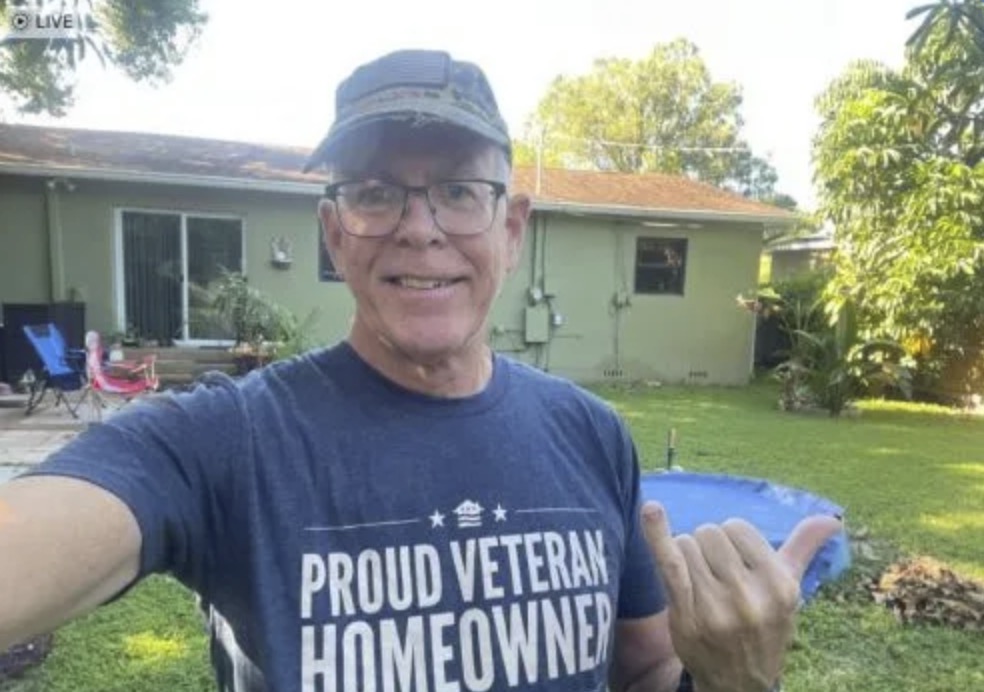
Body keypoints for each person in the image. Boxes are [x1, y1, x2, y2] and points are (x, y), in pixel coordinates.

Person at [0, 49, 840, 692]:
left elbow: (646, 670)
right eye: (374, 192)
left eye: (459, 191)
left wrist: (735, 678)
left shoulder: (591, 435)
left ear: (511, 229)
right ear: (335, 235)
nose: (418, 227)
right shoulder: (231, 441)